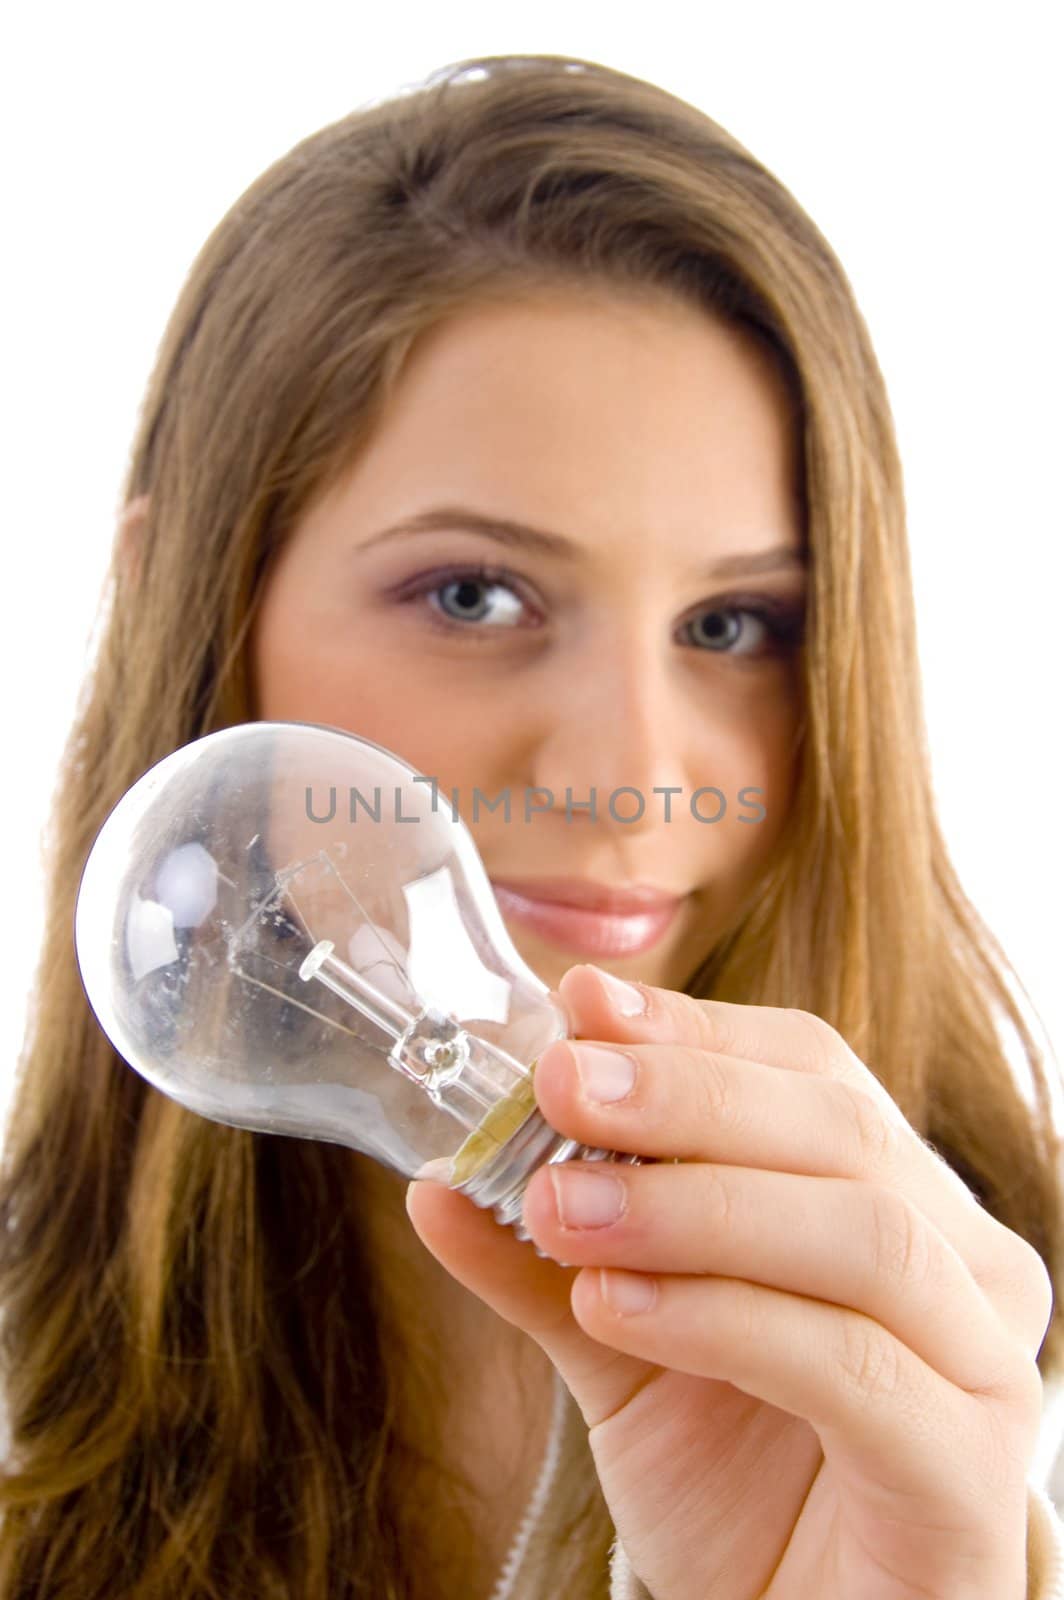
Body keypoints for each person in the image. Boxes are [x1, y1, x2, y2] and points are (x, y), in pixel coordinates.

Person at [1, 50, 1063, 1599]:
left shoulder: (1010, 1416)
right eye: (473, 594)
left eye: (737, 623)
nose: (633, 767)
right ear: (198, 607)